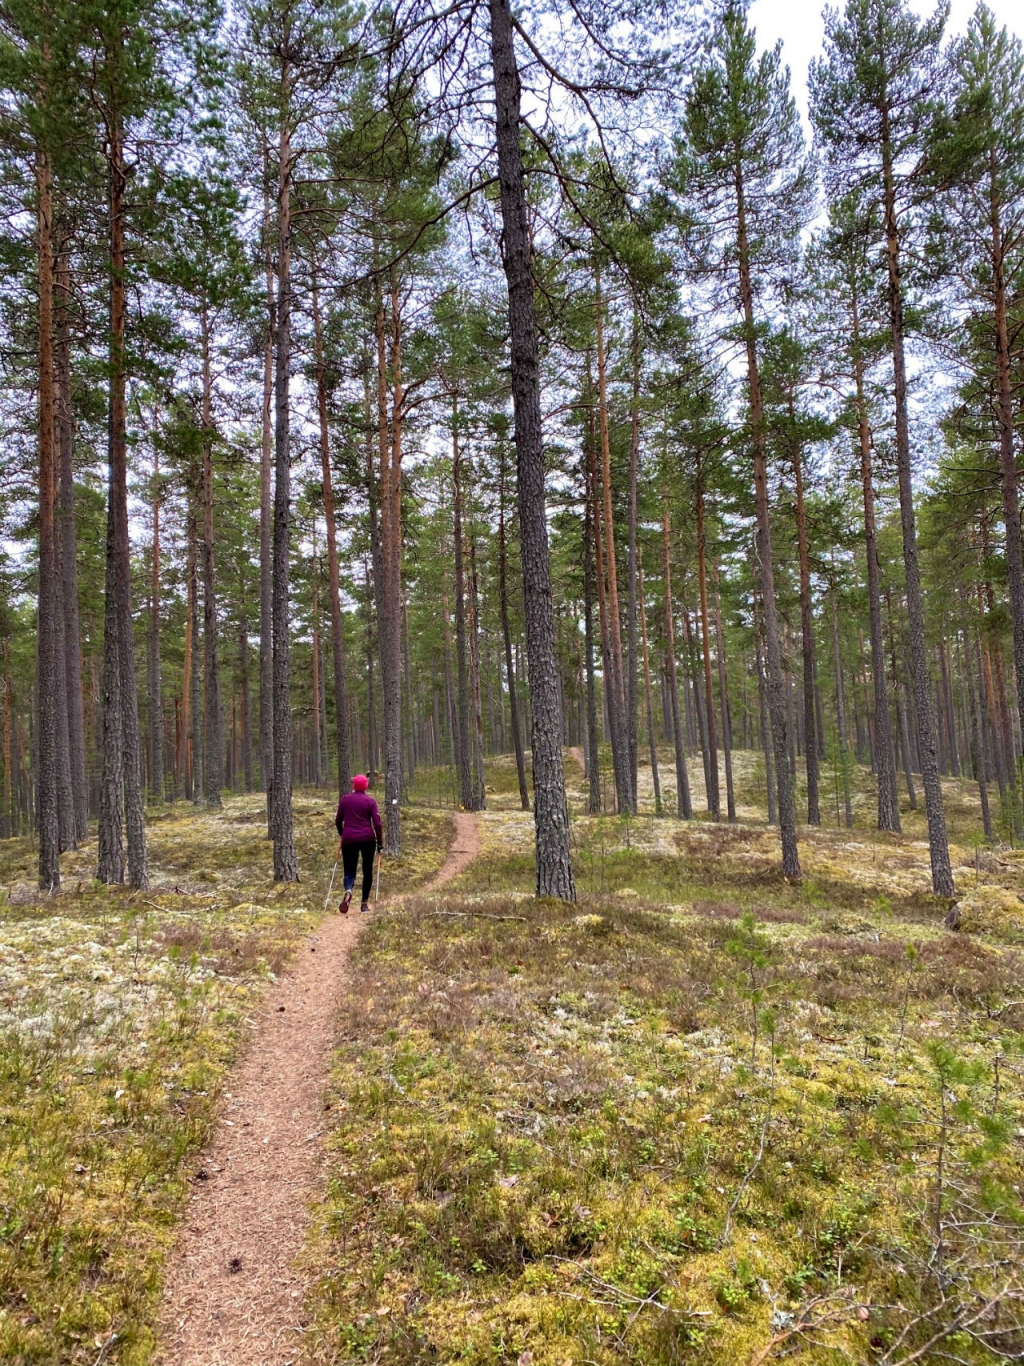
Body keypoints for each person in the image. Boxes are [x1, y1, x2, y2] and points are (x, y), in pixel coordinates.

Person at [334, 774, 383, 914]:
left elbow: (338, 820)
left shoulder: (345, 800)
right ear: (366, 786)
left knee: (349, 869)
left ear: (354, 786)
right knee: (367, 870)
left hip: (349, 839)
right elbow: (377, 823)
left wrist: (342, 833)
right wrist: (380, 843)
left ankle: (348, 890)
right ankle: (364, 904)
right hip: (367, 839)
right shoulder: (370, 802)